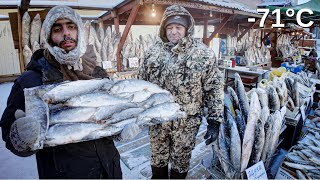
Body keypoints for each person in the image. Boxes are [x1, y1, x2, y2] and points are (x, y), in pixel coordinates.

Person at [0, 6, 122, 179]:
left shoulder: (98, 74)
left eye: (71, 27)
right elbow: (9, 135)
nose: (66, 33)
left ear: (79, 31)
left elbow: (109, 116)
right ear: (49, 36)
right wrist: (21, 138)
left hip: (109, 170)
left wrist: (121, 128)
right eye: (57, 29)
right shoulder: (30, 81)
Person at [139, 5, 224, 179]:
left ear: (187, 29)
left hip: (186, 122)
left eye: (178, 27)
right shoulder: (152, 52)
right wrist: (139, 110)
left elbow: (214, 88)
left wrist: (214, 120)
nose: (173, 32)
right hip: (158, 121)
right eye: (169, 27)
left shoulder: (203, 54)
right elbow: (141, 84)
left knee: (181, 161)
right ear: (164, 29)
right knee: (158, 159)